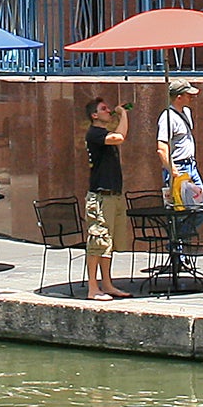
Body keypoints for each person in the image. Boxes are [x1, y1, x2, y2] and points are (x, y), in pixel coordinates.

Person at [82, 98, 133, 301]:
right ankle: (93, 288)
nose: (108, 110)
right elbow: (120, 137)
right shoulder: (95, 133)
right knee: (98, 242)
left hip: (113, 195)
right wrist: (124, 114)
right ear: (95, 115)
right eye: (104, 109)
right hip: (100, 197)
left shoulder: (103, 134)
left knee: (107, 244)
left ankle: (107, 284)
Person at [157, 78, 203, 205]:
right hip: (179, 167)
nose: (192, 98)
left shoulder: (187, 112)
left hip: (191, 166)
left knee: (202, 206)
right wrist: (173, 171)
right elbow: (162, 148)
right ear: (179, 97)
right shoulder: (167, 117)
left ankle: (186, 226)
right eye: (188, 95)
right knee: (182, 209)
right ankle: (183, 226)